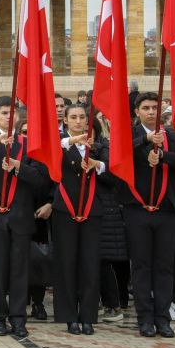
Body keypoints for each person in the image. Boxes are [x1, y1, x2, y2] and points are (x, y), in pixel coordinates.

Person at [0, 98, 51, 339]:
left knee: (18, 270)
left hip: (21, 213)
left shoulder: (28, 143)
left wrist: (17, 166)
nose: (8, 117)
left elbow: (40, 178)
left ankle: (18, 318)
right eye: (3, 112)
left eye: (12, 113)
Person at [122, 92, 175, 338]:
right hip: (137, 210)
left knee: (164, 266)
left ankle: (163, 318)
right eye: (146, 108)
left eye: (155, 108)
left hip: (167, 210)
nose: (151, 112)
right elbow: (120, 155)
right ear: (137, 111)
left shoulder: (172, 136)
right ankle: (145, 318)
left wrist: (164, 154)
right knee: (141, 266)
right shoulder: (131, 135)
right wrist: (145, 140)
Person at [51, 104, 110, 335]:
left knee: (90, 264)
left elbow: (115, 171)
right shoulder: (62, 144)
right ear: (65, 120)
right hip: (65, 210)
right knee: (66, 264)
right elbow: (48, 154)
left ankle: (88, 317)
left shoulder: (98, 145)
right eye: (73, 117)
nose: (78, 121)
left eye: (82, 117)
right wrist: (71, 141)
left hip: (92, 211)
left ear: (88, 121)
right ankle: (69, 317)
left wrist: (98, 165)